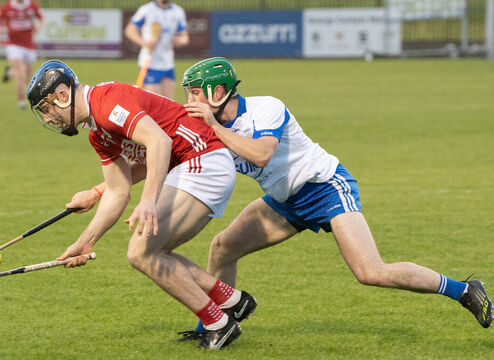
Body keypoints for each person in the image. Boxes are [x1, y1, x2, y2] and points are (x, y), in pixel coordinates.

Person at [175, 57, 493, 338]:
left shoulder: (265, 107)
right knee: (223, 247)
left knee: (371, 272)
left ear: (218, 92)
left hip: (325, 187)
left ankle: (465, 290)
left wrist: (213, 126)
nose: (189, 99)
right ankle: (216, 327)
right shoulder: (207, 128)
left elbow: (261, 155)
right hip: (285, 201)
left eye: (194, 92)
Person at [25, 59, 257, 350]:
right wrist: (85, 241)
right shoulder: (98, 135)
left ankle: (219, 323)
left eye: (47, 109)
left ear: (63, 95)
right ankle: (233, 302)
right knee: (156, 251)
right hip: (193, 165)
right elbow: (117, 191)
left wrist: (149, 201)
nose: (48, 119)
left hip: (202, 159)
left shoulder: (108, 102)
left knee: (141, 252)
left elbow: (159, 142)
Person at [124, 0, 189, 99]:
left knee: (169, 103)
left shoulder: (178, 11)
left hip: (168, 63)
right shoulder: (146, 10)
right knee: (154, 102)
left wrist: (179, 41)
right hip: (150, 63)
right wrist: (144, 43)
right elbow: (129, 30)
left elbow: (185, 38)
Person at [0, 0, 44, 110]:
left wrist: (38, 27)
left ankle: (10, 72)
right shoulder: (7, 7)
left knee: (28, 75)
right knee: (21, 70)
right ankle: (21, 100)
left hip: (29, 45)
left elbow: (42, 18)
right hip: (13, 45)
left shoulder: (32, 6)